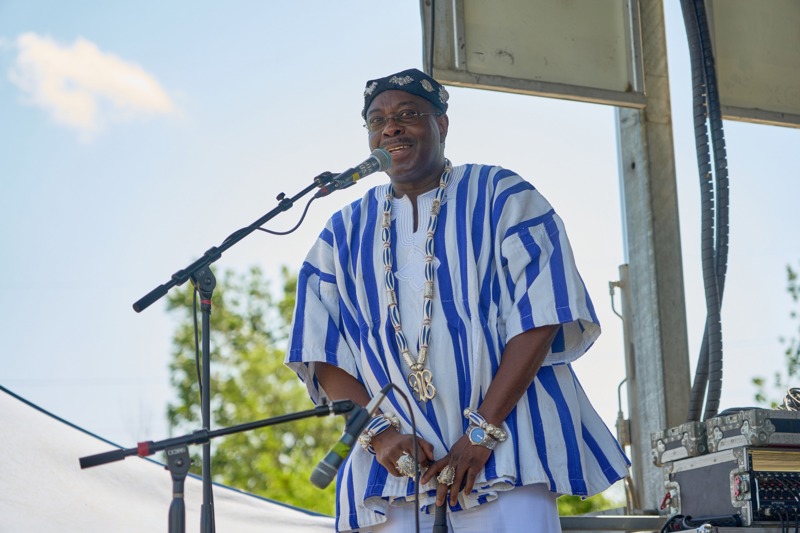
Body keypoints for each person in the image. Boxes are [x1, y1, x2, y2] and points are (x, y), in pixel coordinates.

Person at [286, 68, 629, 533]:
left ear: (442, 124)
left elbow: (543, 314)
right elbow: (320, 349)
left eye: (408, 114)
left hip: (507, 452)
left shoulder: (504, 196)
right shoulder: (339, 233)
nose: (391, 128)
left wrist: (482, 432)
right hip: (391, 472)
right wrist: (379, 434)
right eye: (377, 120)